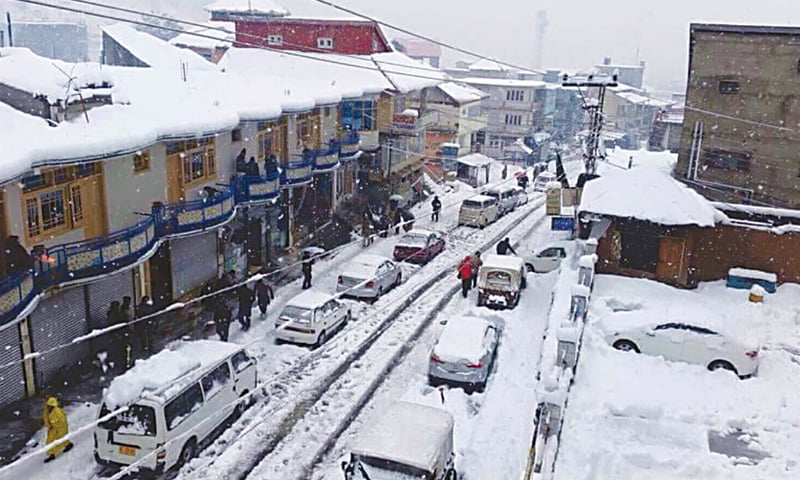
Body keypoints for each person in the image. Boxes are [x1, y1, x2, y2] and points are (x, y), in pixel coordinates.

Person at [42, 396, 72, 463]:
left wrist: (54, 427)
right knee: (50, 441)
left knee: (60, 439)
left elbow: (62, 423)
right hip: (52, 428)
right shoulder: (46, 410)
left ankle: (67, 445)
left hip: (60, 428)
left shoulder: (58, 412)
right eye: (48, 405)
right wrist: (48, 425)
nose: (49, 407)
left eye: (50, 406)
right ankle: (51, 454)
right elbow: (45, 418)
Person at [120, 296, 134, 369]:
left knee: (129, 346)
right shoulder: (123, 310)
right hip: (126, 331)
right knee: (127, 347)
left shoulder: (127, 309)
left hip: (128, 330)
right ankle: (127, 363)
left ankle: (128, 361)